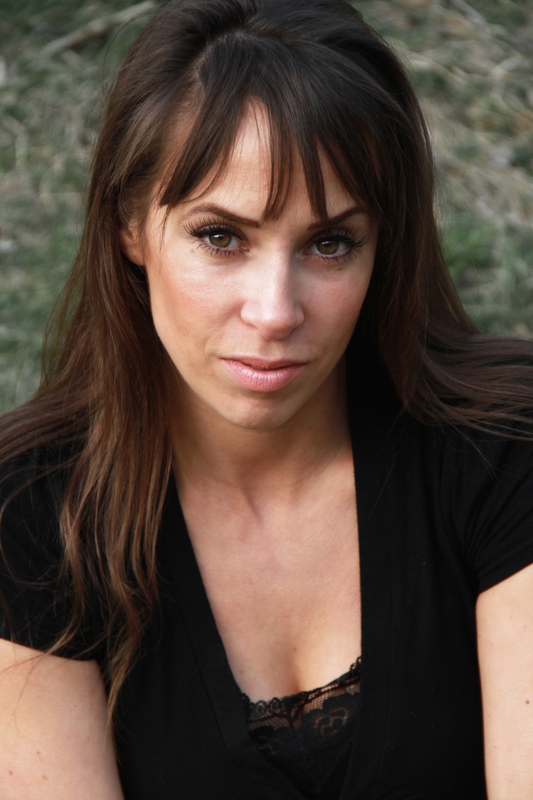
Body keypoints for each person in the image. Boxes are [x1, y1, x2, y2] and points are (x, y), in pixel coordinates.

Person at [0, 0, 532, 797]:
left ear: (383, 247)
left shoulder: (504, 444)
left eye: (329, 243)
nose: (275, 311)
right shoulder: (31, 509)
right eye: (220, 236)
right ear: (129, 226)